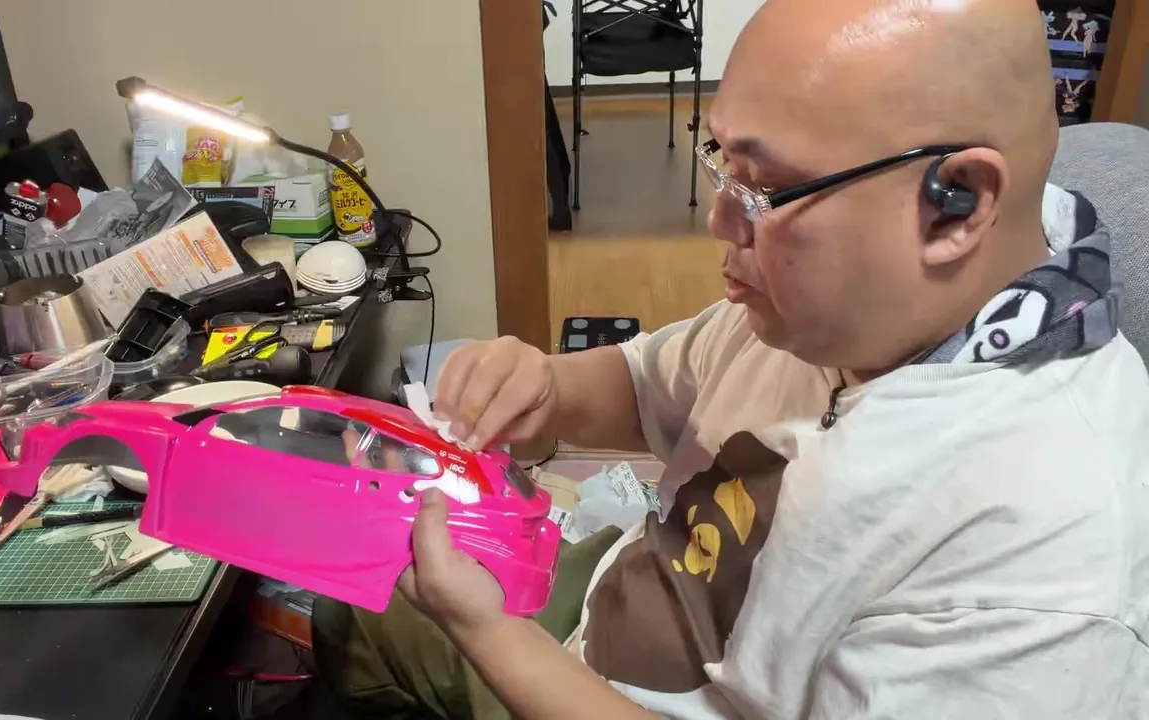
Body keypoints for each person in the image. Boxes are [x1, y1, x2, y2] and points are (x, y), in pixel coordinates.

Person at [313, 0, 1149, 717]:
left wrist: (490, 634)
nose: (718, 221)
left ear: (957, 205)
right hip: (611, 606)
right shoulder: (833, 315)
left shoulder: (1043, 567)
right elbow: (646, 384)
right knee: (350, 590)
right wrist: (544, 386)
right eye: (722, 162)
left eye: (765, 190)